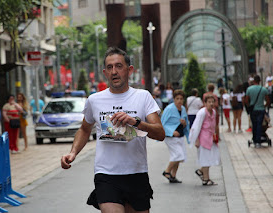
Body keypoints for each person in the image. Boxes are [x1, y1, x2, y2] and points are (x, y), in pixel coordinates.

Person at [61, 47, 165, 213]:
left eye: (119, 66)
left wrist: (135, 122)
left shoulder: (143, 96)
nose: (114, 71)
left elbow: (160, 133)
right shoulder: (94, 100)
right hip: (106, 174)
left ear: (129, 70)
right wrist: (73, 153)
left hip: (136, 172)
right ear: (104, 72)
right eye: (109, 67)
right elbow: (84, 129)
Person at [189, 95, 221, 186]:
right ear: (205, 103)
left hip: (211, 138)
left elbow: (214, 125)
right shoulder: (202, 112)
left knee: (212, 157)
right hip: (203, 138)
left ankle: (201, 171)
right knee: (206, 158)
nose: (211, 104)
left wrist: (216, 135)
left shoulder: (213, 112)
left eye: (212, 102)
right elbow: (196, 126)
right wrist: (196, 140)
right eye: (209, 102)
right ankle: (206, 179)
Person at [161, 89, 190, 183]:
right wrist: (172, 131)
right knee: (178, 155)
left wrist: (184, 123)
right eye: (177, 98)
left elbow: (186, 124)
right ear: (173, 99)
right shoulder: (169, 108)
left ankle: (173, 176)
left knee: (178, 156)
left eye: (181, 99)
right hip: (170, 137)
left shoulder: (183, 109)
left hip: (180, 136)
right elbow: (162, 123)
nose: (179, 101)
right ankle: (167, 171)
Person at [245, 75, 270, 148]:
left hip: (253, 110)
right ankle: (258, 141)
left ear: (253, 81)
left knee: (254, 124)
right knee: (259, 124)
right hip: (261, 109)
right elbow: (268, 100)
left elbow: (246, 100)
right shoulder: (263, 89)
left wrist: (250, 105)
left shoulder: (249, 89)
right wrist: (264, 106)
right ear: (260, 81)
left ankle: (255, 139)